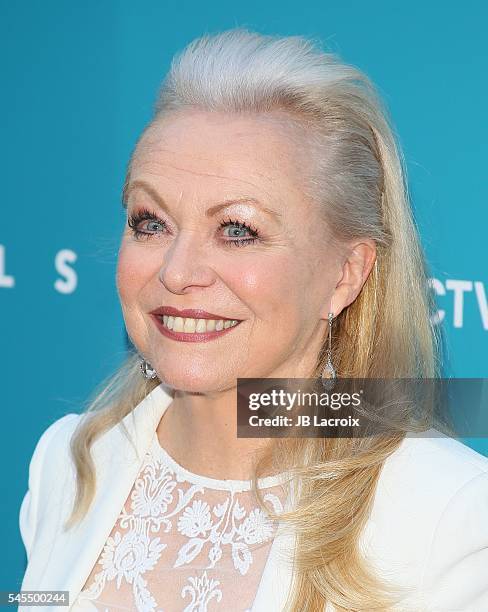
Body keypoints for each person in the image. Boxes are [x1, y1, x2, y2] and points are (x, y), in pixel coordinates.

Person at [19, 28, 488, 612]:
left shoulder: (450, 515)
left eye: (238, 230)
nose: (176, 271)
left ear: (345, 274)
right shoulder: (69, 461)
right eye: (150, 222)